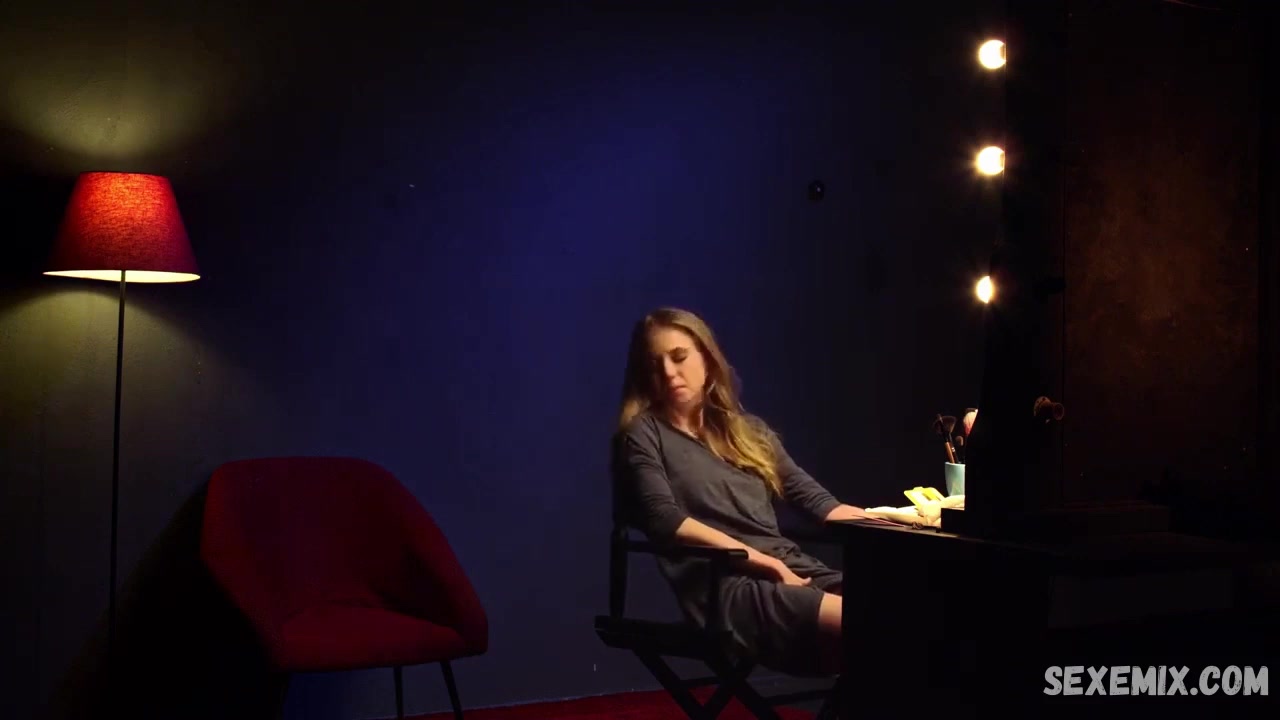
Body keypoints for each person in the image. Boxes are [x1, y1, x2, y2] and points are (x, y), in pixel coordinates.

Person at [611, 306, 868, 677]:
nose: (668, 372)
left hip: (789, 567)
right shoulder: (644, 434)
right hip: (725, 586)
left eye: (679, 357)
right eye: (655, 364)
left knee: (906, 613)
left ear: (707, 358)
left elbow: (820, 503)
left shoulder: (748, 432)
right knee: (873, 625)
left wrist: (902, 521)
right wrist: (765, 563)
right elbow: (664, 519)